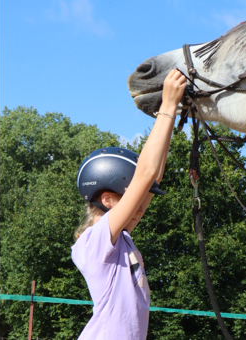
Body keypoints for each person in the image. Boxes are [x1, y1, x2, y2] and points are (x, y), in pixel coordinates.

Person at [72, 69, 187, 340]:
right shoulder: (94, 242)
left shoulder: (120, 238)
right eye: (131, 198)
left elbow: (152, 177)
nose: (139, 209)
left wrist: (170, 113)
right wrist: (167, 106)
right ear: (108, 199)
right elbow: (145, 175)